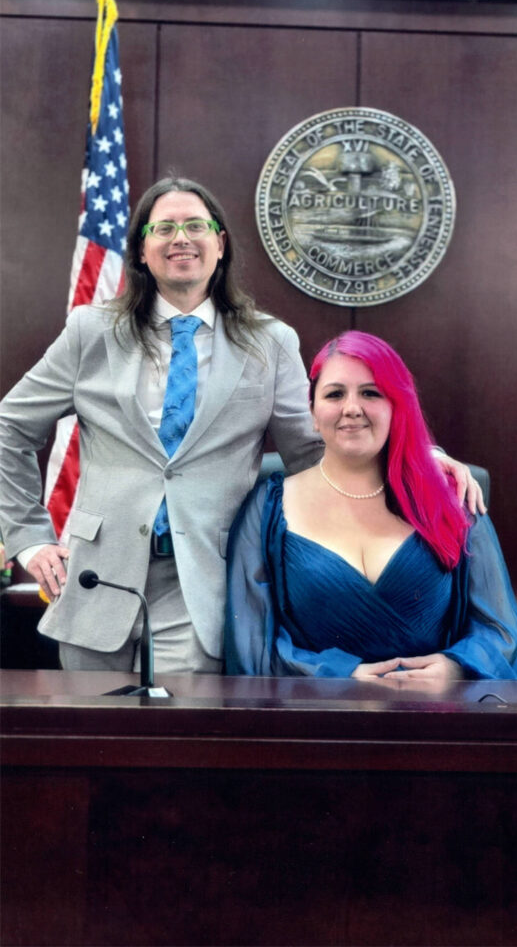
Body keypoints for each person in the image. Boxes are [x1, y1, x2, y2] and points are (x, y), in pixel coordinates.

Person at [0, 178, 483, 674]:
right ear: (142, 250)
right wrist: (29, 538)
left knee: (179, 744)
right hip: (95, 582)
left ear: (220, 243)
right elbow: (9, 427)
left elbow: (315, 450)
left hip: (204, 584)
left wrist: (420, 457)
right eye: (163, 227)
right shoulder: (91, 331)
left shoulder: (269, 343)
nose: (180, 238)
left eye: (195, 225)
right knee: (91, 741)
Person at [225, 331, 517, 684]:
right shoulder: (265, 511)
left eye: (371, 393)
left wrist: (456, 667)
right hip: (315, 724)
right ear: (311, 413)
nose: (352, 408)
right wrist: (338, 678)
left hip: (437, 724)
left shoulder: (454, 498)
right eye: (335, 394)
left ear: (396, 406)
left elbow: (503, 634)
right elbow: (251, 647)